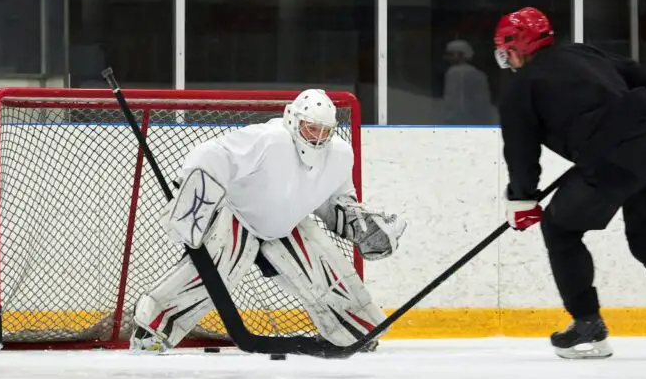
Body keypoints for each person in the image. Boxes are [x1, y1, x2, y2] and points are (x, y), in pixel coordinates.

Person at [492, 7, 646, 359]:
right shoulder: (583, 53)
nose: (505, 58)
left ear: (514, 47)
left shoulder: (520, 89)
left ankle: (587, 326)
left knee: (559, 228)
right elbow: (643, 78)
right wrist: (626, 127)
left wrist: (522, 199)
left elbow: (522, 153)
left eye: (504, 50)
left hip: (613, 163)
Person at [131, 89, 407, 353]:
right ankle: (151, 328)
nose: (317, 137)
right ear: (292, 119)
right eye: (311, 128)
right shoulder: (270, 139)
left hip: (287, 224)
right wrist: (191, 199)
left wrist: (360, 227)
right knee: (207, 275)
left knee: (327, 275)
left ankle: (356, 332)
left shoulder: (340, 155)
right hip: (239, 215)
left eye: (325, 131)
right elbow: (215, 155)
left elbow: (332, 199)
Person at [442, 39, 494, 125]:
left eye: (451, 54)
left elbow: (456, 100)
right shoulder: (479, 74)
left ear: (460, 55)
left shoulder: (455, 73)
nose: (448, 58)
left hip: (462, 121)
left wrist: (451, 118)